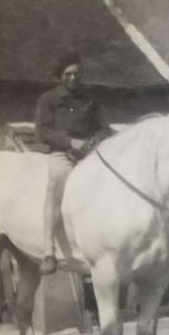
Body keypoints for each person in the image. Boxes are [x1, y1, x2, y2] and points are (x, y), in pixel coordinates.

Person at [34, 57, 110, 274]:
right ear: (60, 75)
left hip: (90, 153)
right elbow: (42, 131)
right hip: (62, 153)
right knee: (56, 183)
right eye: (68, 74)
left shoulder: (90, 99)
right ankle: (48, 251)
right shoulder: (48, 99)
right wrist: (69, 142)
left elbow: (104, 128)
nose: (73, 78)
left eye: (77, 73)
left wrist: (93, 141)